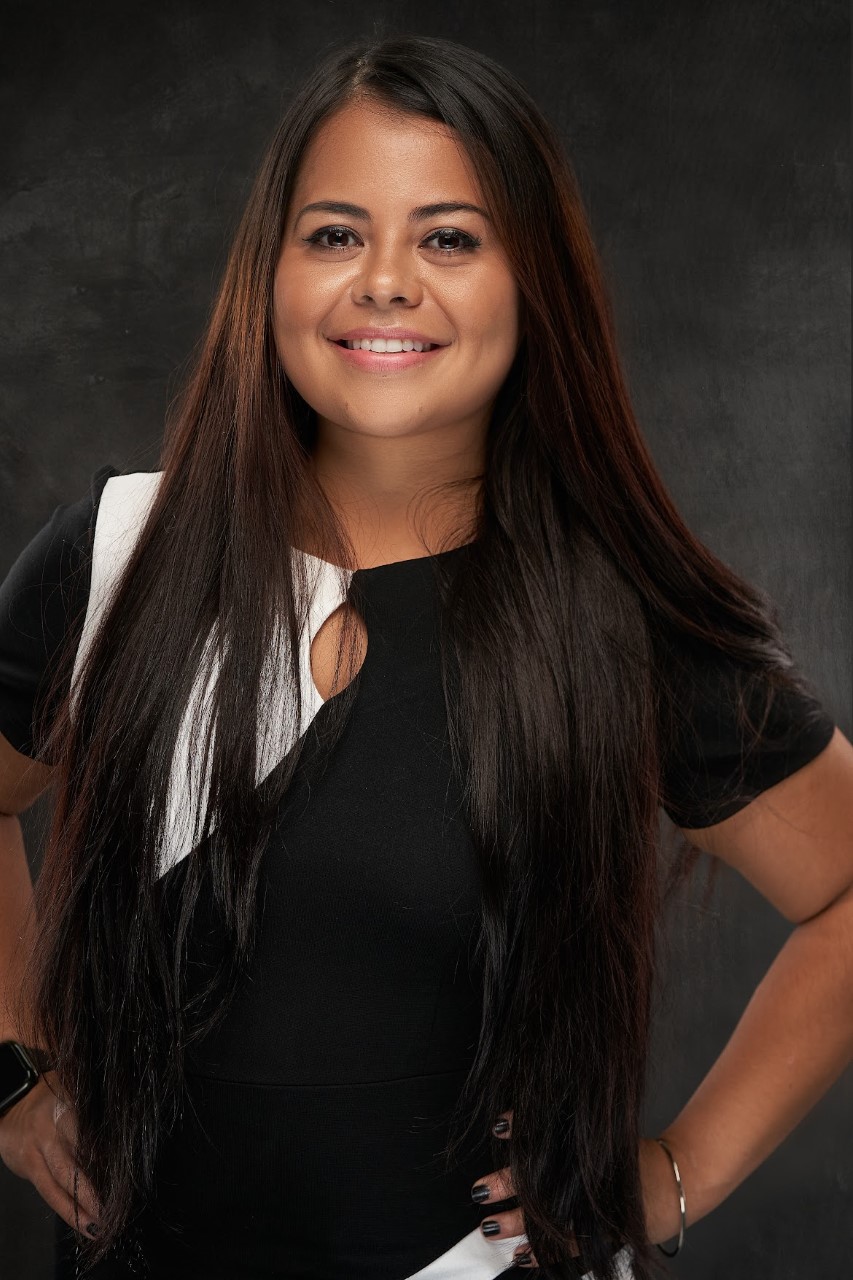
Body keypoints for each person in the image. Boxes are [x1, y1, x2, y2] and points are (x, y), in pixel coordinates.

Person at [0, 31, 850, 1280]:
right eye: (335, 233)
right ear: (271, 272)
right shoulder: (117, 552)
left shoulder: (608, 616)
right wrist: (17, 1070)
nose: (384, 280)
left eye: (448, 237)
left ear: (532, 283)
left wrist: (672, 1174)